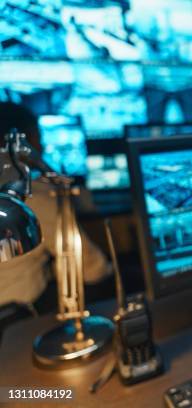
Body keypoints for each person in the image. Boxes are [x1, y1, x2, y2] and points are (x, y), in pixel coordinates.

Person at [0, 102, 111, 306]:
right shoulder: (34, 196)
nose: (41, 146)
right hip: (19, 318)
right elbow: (92, 269)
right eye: (38, 138)